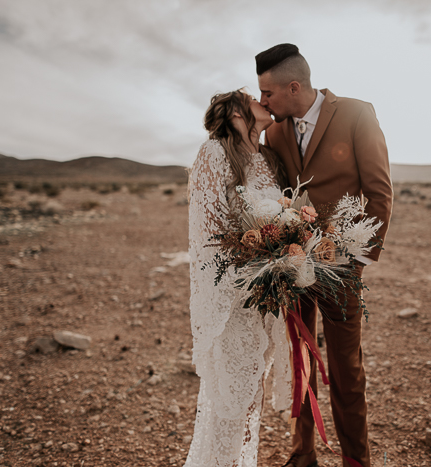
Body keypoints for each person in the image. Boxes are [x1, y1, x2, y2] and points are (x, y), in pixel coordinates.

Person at [256, 44, 393, 467]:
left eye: (268, 94)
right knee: (300, 361)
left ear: (293, 86)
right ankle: (303, 454)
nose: (263, 103)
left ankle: (357, 461)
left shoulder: (356, 114)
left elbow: (379, 192)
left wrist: (356, 259)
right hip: (292, 264)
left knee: (347, 371)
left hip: (341, 270)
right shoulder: (275, 132)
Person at [185, 89, 291, 467]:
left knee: (251, 392)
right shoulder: (214, 153)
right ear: (233, 114)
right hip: (233, 297)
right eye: (249, 96)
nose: (261, 97)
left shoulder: (268, 161)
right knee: (231, 395)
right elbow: (208, 232)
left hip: (267, 295)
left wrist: (286, 256)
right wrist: (249, 264)